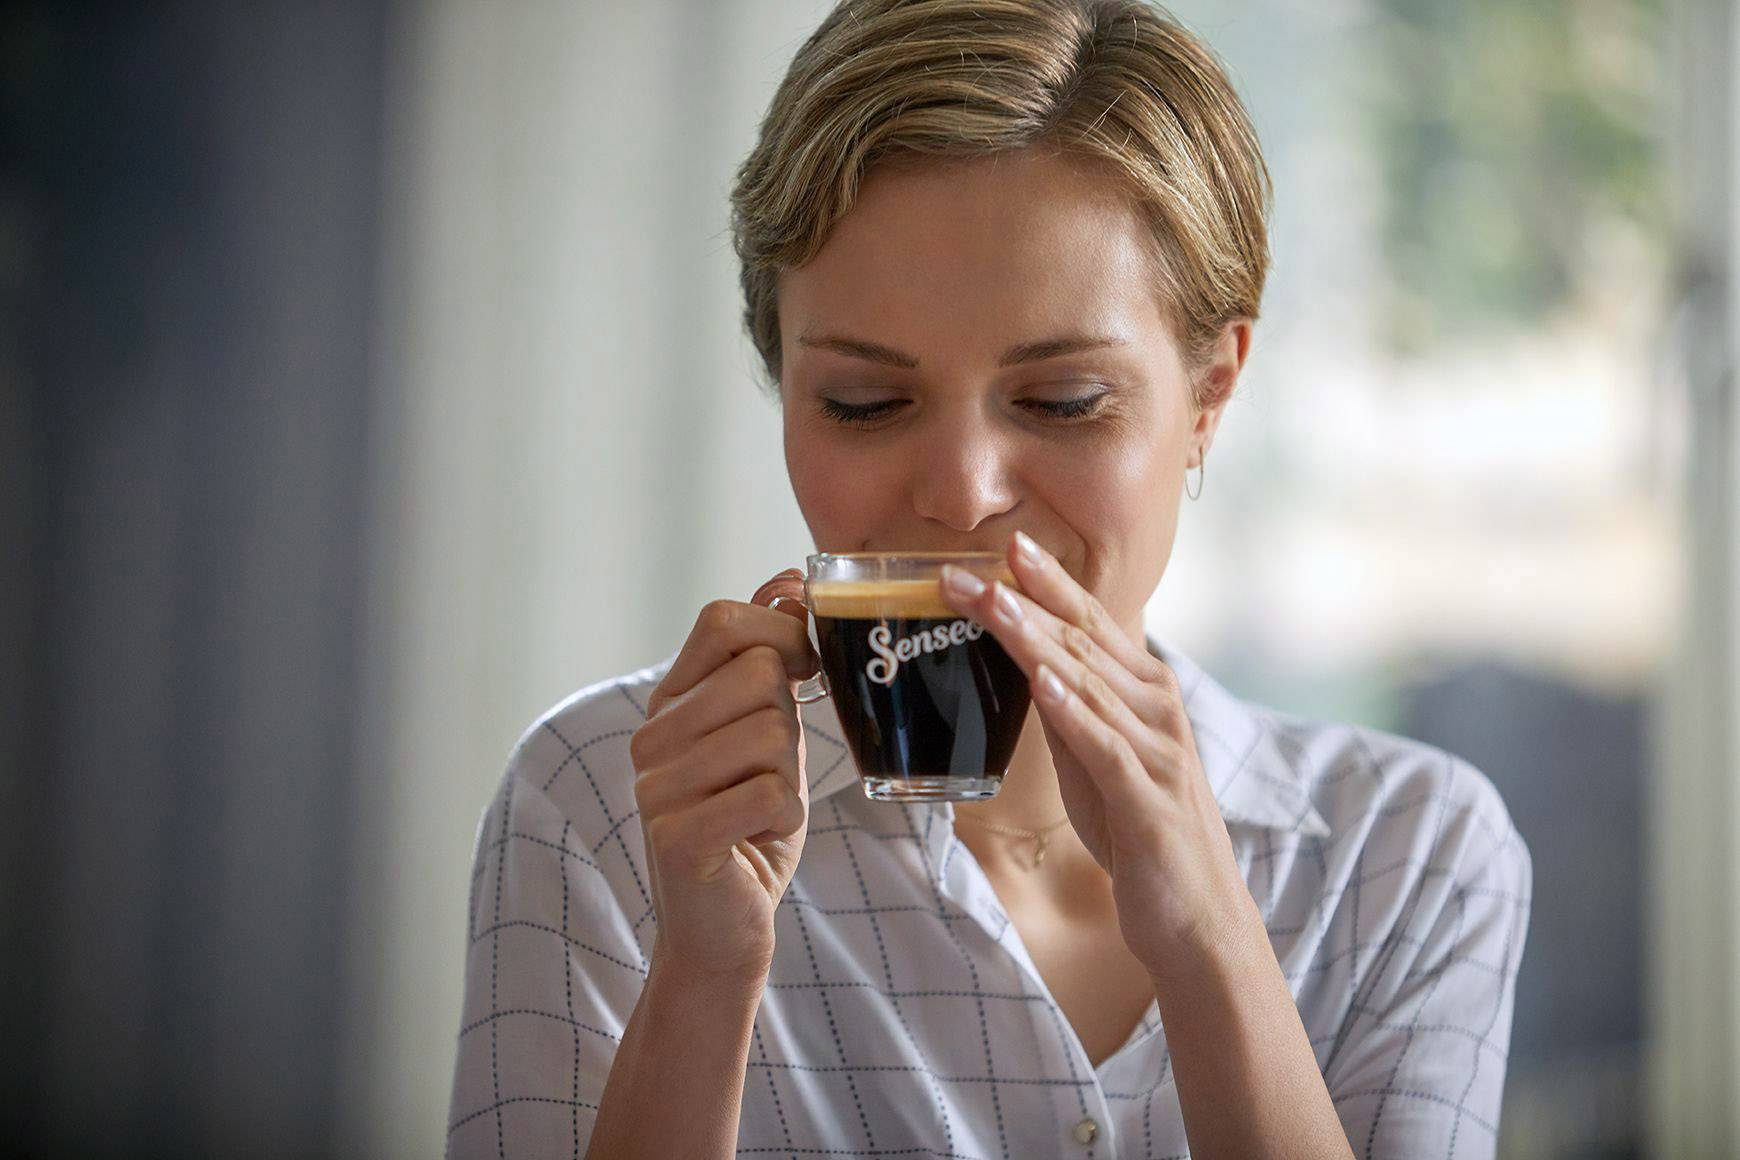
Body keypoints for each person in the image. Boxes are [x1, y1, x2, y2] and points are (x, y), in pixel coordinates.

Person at [445, 0, 1533, 1156]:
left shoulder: (1411, 855)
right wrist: (703, 977)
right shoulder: (605, 804)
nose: (961, 492)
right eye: (865, 403)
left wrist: (1213, 939)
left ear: (1210, 394)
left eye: (1063, 401)